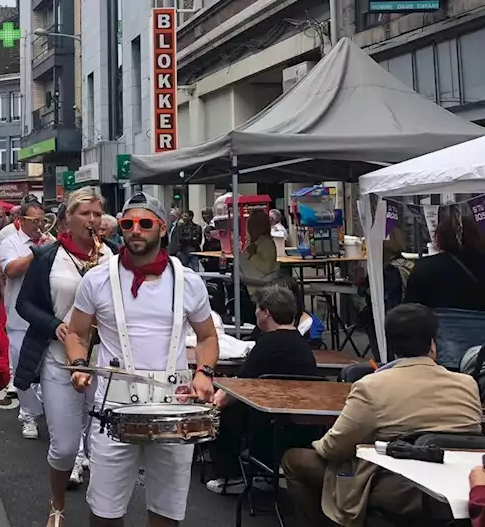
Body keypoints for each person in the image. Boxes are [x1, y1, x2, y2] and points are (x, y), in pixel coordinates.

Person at [63, 192, 219, 527]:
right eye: (128, 223)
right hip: (113, 406)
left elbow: (207, 336)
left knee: (167, 512)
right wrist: (78, 365)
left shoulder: (188, 282)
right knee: (104, 511)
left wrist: (204, 373)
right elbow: (76, 333)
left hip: (173, 404)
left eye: (145, 223)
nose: (136, 230)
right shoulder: (97, 278)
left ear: (162, 229)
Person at [282, 303, 482, 526]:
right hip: (458, 487)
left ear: (390, 343)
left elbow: (335, 447)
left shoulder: (371, 386)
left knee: (294, 460)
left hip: (397, 489)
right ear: (433, 343)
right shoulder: (467, 384)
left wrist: (317, 443)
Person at [14, 187, 115, 517]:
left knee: (105, 443)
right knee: (65, 446)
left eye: (97, 214)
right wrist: (54, 324)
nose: (92, 220)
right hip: (59, 358)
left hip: (105, 360)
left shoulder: (112, 256)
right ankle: (57, 506)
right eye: (85, 213)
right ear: (68, 219)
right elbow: (24, 303)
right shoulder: (48, 257)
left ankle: (102, 509)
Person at [206, 285, 317, 494]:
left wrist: (217, 400)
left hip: (268, 422)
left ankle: (231, 476)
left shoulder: (266, 345)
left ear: (265, 312)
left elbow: (242, 385)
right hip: (298, 422)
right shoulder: (303, 346)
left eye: (258, 308)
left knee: (221, 412)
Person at [0, 201, 51, 439]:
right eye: (35, 221)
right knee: (22, 368)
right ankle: (28, 415)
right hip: (19, 317)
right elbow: (11, 270)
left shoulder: (51, 241)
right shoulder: (10, 242)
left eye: (42, 221)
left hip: (46, 313)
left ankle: (49, 411)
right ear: (23, 221)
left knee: (49, 369)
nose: (40, 225)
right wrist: (37, 253)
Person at [403, 205, 485, 368]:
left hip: (441, 355)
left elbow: (410, 312)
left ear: (439, 238)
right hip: (481, 356)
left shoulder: (425, 268)